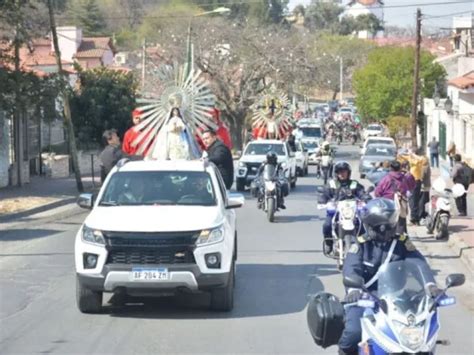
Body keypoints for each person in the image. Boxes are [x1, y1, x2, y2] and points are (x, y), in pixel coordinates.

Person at [338, 198, 440, 355]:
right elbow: (351, 269)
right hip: (365, 298)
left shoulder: (401, 243)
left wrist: (430, 285)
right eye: (384, 227)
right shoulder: (360, 245)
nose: (389, 230)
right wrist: (353, 290)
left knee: (419, 332)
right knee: (353, 334)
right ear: (375, 227)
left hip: (396, 298)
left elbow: (418, 263)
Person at [318, 161, 367, 254]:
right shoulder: (331, 184)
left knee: (363, 225)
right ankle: (329, 243)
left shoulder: (354, 184)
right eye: (339, 171)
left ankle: (365, 247)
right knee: (327, 225)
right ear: (336, 173)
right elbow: (324, 194)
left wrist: (366, 200)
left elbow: (362, 194)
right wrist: (322, 202)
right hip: (336, 211)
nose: (342, 174)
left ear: (348, 173)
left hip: (352, 211)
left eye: (344, 171)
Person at [374, 160, 410, 233]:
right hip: (400, 204)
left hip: (388, 205)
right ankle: (401, 239)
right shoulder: (404, 178)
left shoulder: (386, 179)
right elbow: (411, 185)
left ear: (391, 168)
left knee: (387, 224)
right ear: (400, 168)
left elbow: (377, 192)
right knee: (401, 224)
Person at [419, 156, 431, 223]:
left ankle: (421, 214)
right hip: (427, 185)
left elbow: (421, 177)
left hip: (423, 186)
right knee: (425, 200)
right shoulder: (428, 166)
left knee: (422, 201)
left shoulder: (423, 167)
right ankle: (424, 213)